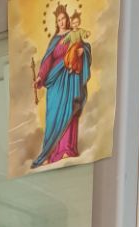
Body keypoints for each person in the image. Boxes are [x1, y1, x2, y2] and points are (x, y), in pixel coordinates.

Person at [32, 4, 92, 168]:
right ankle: (50, 152)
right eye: (59, 20)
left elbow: (84, 47)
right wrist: (40, 77)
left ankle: (67, 149)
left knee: (70, 110)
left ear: (67, 19)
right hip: (56, 80)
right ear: (56, 22)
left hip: (71, 77)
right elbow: (47, 61)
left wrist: (82, 51)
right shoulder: (54, 40)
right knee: (53, 114)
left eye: (64, 18)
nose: (62, 22)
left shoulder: (74, 34)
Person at [62, 10, 91, 75]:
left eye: (77, 22)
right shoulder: (70, 33)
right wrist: (64, 41)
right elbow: (67, 38)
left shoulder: (80, 30)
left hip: (78, 45)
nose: (75, 24)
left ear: (79, 23)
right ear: (71, 24)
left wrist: (87, 34)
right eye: (73, 23)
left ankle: (77, 69)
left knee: (78, 58)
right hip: (72, 47)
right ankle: (72, 66)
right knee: (70, 56)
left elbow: (84, 34)